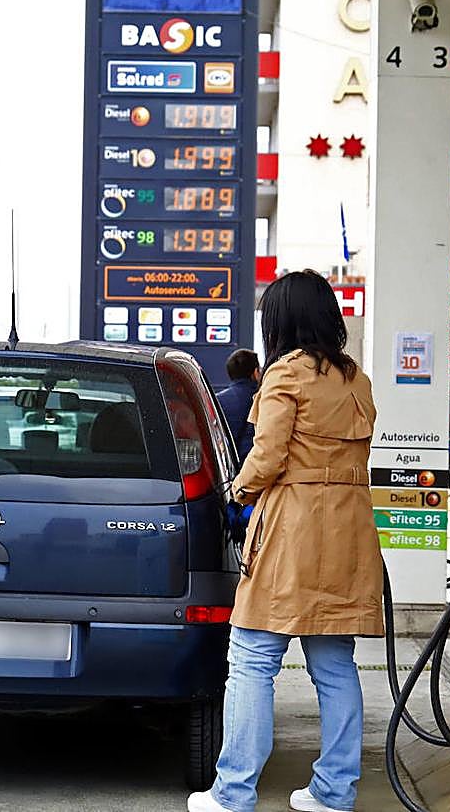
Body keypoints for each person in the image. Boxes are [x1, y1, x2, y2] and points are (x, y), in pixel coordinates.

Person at [189, 271, 383, 812]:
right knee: (335, 665)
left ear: (281, 322)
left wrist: (236, 490)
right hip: (348, 530)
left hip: (292, 528)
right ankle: (334, 792)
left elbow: (268, 455)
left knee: (252, 658)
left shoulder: (283, 377)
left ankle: (233, 794)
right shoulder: (356, 380)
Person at [216, 349, 260, 459]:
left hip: (226, 466)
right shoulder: (263, 399)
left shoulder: (217, 400)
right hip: (253, 465)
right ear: (255, 373)